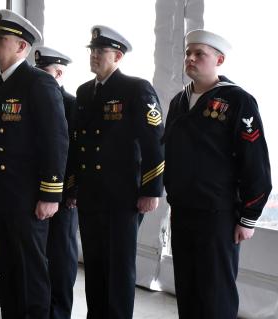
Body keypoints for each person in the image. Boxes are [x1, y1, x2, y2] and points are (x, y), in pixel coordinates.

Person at [163, 30, 272, 319]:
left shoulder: (237, 101)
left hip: (218, 215)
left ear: (219, 60)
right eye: (188, 53)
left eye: (200, 54)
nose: (191, 58)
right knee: (187, 290)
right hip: (184, 212)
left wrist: (249, 216)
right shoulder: (178, 101)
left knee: (215, 294)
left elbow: (255, 161)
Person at [73, 25, 165, 319]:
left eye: (101, 51)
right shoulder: (85, 92)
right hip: (90, 194)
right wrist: (73, 187)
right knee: (95, 264)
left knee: (118, 267)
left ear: (118, 55)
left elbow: (155, 143)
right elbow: (79, 144)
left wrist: (151, 190)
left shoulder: (135, 89)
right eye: (93, 51)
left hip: (122, 196)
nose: (95, 56)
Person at [0, 9, 69, 318]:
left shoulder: (38, 83)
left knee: (31, 273)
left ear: (22, 47)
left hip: (29, 197)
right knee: (7, 270)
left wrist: (50, 195)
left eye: (1, 39)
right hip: (3, 196)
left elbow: (56, 141)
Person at [33, 46, 79, 319]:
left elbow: (73, 152)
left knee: (61, 257)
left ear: (59, 73)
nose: (38, 75)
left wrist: (70, 190)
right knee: (38, 258)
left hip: (62, 194)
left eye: (44, 71)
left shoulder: (72, 104)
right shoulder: (31, 101)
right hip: (34, 191)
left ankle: (59, 312)